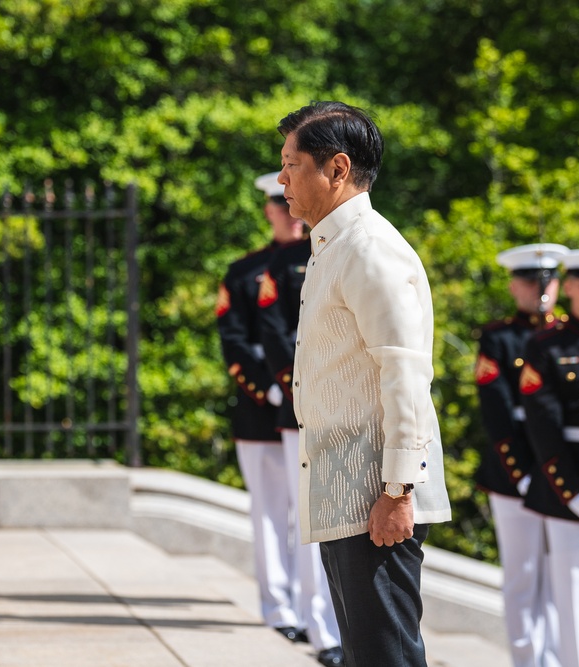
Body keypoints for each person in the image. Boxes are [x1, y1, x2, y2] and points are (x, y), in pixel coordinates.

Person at [276, 101, 452, 667]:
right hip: (348, 487)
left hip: (379, 494)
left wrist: (399, 490)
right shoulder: (334, 244)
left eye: (291, 162)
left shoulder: (370, 248)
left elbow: (405, 374)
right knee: (364, 654)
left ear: (337, 168)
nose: (281, 178)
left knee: (386, 655)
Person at [216, 172, 307, 648]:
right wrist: (271, 391)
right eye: (278, 203)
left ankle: (310, 607)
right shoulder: (244, 271)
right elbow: (234, 344)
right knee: (272, 511)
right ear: (269, 209)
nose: (287, 211)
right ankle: (278, 606)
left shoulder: (320, 258)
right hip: (261, 407)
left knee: (309, 512)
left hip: (307, 405)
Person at [257, 198, 343, 667]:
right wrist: (294, 386)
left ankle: (337, 624)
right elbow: (273, 331)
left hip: (345, 408)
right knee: (309, 517)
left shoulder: (343, 249)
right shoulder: (285, 262)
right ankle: (322, 629)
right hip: (302, 405)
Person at [474, 243, 564, 667]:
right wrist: (525, 475)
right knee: (524, 576)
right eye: (530, 281)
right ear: (514, 286)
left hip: (564, 477)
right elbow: (497, 415)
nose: (540, 290)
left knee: (562, 579)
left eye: (547, 281)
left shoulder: (569, 336)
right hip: (517, 476)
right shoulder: (499, 337)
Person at [520, 249, 579, 667]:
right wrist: (576, 495)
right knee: (575, 606)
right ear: (576, 286)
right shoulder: (547, 344)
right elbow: (543, 429)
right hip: (571, 485)